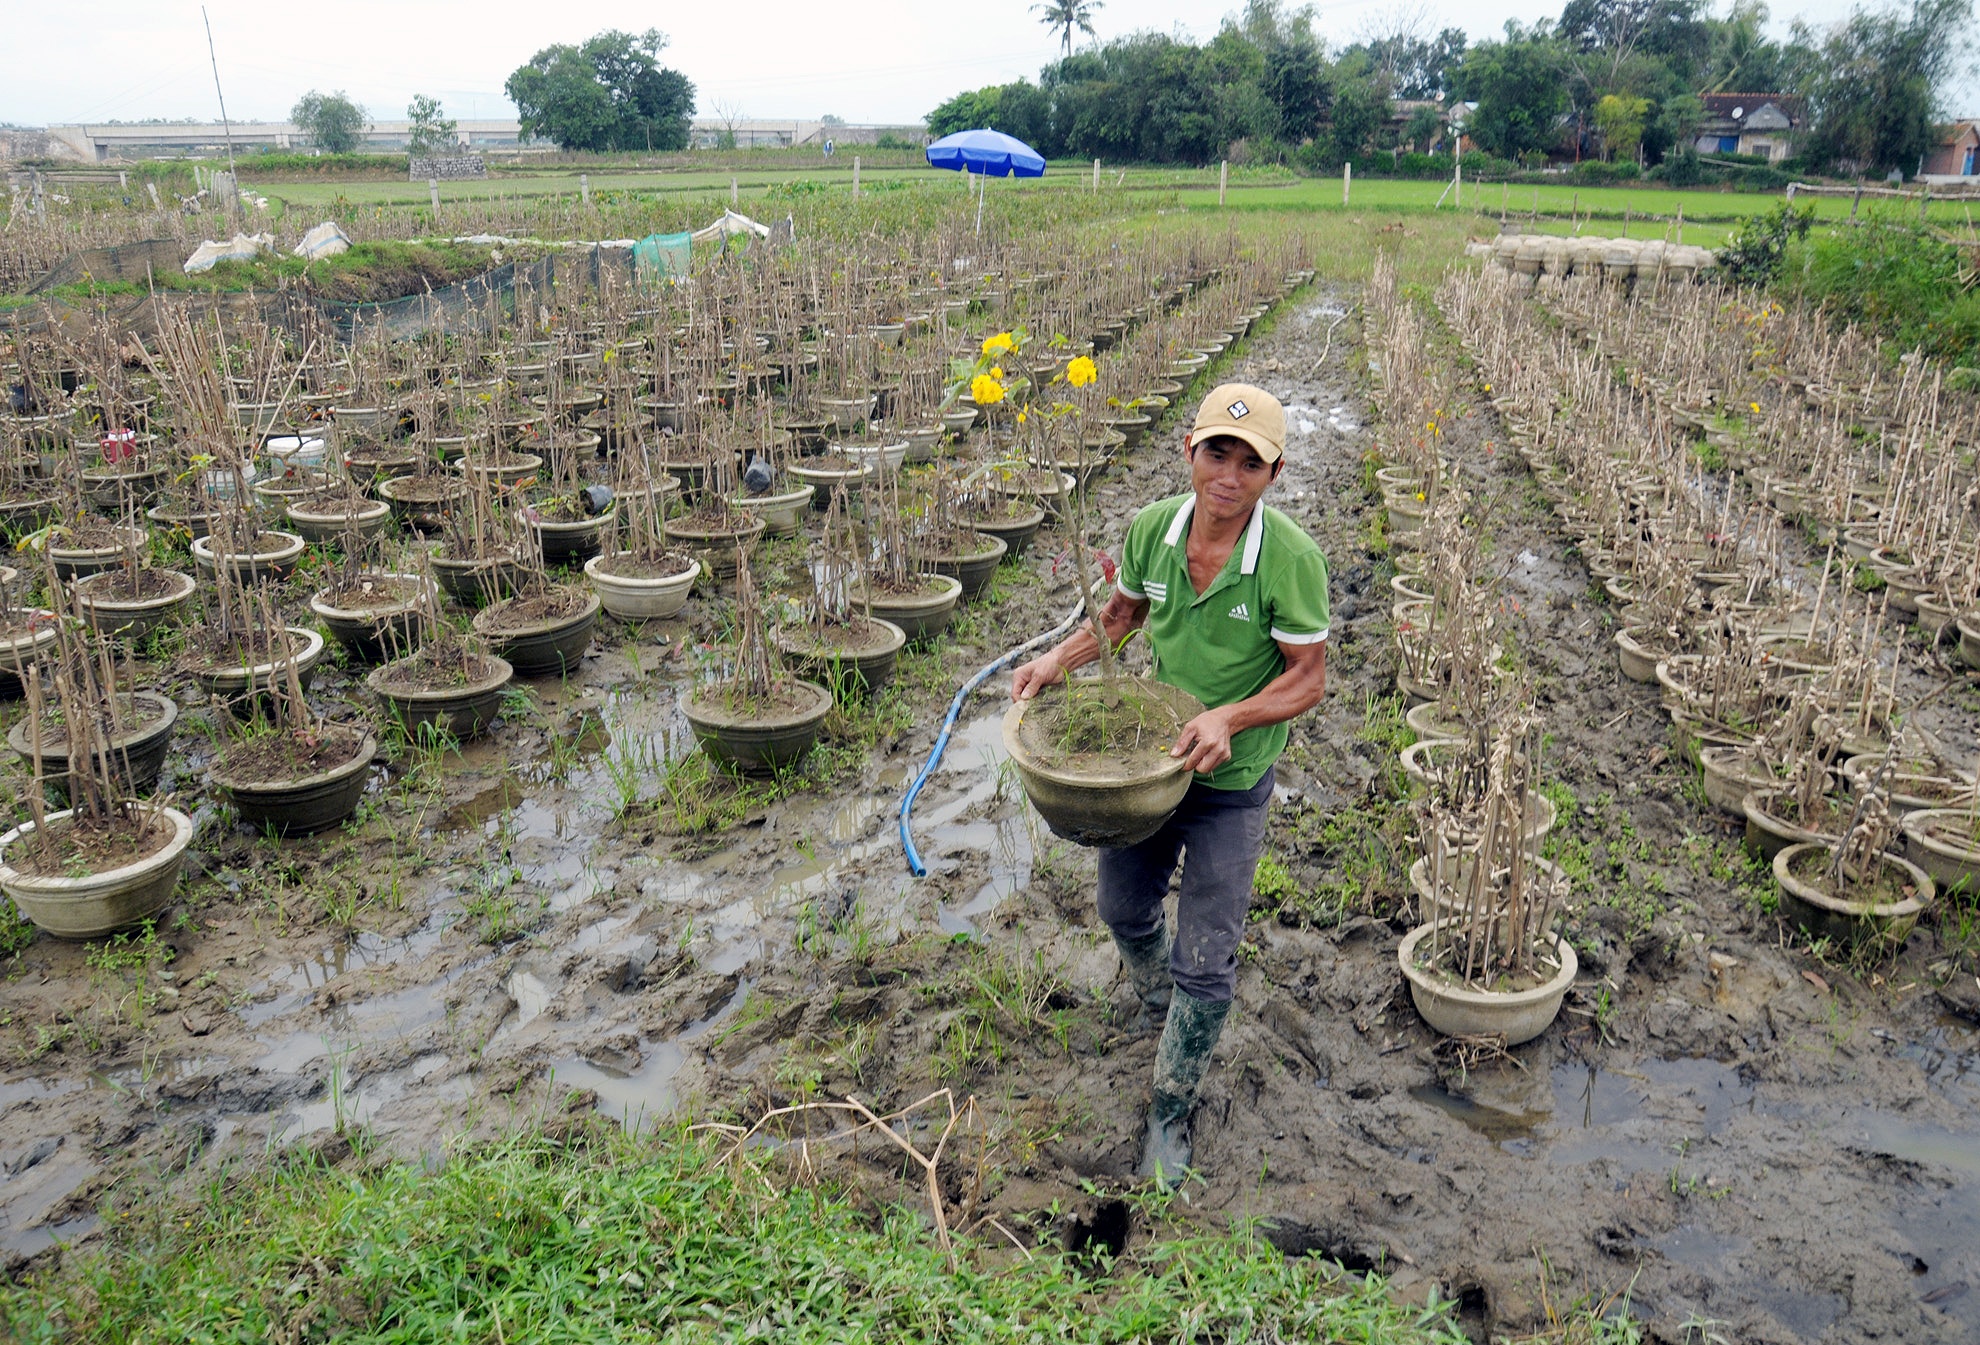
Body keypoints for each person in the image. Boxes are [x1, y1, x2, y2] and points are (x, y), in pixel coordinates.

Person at [1011, 382, 1330, 1185]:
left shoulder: (1289, 560)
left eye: (1248, 461)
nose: (1228, 473)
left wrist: (1230, 717)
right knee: (1121, 906)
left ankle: (1170, 1107)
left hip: (1232, 777)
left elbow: (1307, 679)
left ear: (1273, 473)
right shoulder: (1154, 529)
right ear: (1189, 451)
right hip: (1151, 765)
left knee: (1208, 954)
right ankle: (1160, 1008)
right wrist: (1059, 659)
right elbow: (1120, 619)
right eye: (1215, 452)